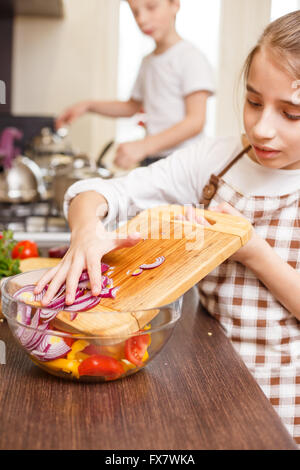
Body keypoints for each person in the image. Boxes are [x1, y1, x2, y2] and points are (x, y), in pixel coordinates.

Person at [36, 12, 300, 446]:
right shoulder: (214, 160)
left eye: (291, 113)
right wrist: (86, 230)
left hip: (285, 403)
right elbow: (100, 192)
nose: (261, 128)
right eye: (253, 102)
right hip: (207, 384)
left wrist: (253, 249)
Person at [55, 0, 215, 169]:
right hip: (155, 160)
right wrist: (88, 105)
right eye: (135, 12)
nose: (142, 19)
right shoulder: (148, 62)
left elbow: (195, 121)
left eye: (151, 7)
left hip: (186, 162)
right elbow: (131, 107)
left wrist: (143, 146)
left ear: (175, 4)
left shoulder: (190, 57)